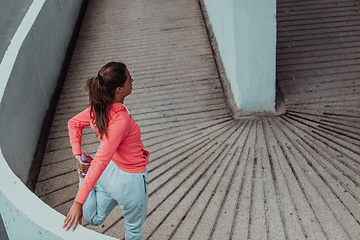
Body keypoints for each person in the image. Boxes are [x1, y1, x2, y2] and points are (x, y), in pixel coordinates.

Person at [63, 62, 150, 240]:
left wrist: (78, 154)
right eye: (128, 79)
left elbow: (73, 123)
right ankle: (85, 173)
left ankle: (83, 172)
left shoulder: (98, 109)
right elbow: (100, 161)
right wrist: (78, 202)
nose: (132, 80)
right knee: (134, 231)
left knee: (94, 218)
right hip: (129, 182)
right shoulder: (121, 121)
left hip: (109, 174)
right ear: (118, 89)